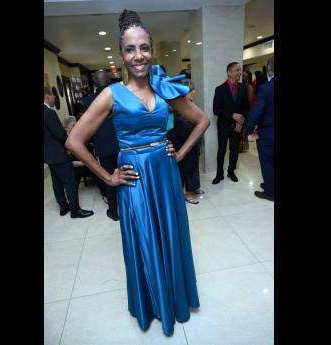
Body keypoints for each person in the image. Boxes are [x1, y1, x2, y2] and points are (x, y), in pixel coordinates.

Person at [66, 9, 209, 336]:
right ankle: (152, 303)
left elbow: (202, 121)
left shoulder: (163, 88)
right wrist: (108, 177)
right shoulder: (110, 95)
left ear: (152, 50)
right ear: (121, 55)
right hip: (134, 180)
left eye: (143, 47)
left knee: (171, 235)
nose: (138, 55)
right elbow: (74, 141)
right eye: (130, 49)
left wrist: (179, 153)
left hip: (165, 174)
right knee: (145, 240)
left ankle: (175, 297)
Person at [43, 88, 94, 218]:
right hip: (59, 154)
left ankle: (63, 207)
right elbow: (59, 133)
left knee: (56, 182)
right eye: (52, 95)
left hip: (48, 155)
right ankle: (75, 211)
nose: (54, 97)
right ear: (47, 96)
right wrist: (69, 143)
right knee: (70, 182)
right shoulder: (48, 112)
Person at [82, 71, 121, 221]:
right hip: (121, 144)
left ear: (94, 82)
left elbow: (87, 126)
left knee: (109, 179)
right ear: (108, 80)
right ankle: (130, 208)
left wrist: (93, 143)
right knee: (126, 175)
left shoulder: (88, 101)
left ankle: (113, 212)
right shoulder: (118, 96)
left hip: (103, 147)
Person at [212, 62, 250, 184]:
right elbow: (216, 110)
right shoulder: (219, 89)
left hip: (237, 127)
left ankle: (231, 171)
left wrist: (241, 122)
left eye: (240, 70)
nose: (239, 72)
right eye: (236, 70)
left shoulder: (243, 88)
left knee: (234, 151)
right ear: (229, 72)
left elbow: (246, 107)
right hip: (224, 126)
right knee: (221, 150)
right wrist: (232, 115)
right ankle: (219, 174)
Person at [168, 79, 204, 204]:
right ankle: (187, 193)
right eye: (191, 90)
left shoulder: (190, 105)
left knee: (194, 166)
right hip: (183, 142)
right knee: (186, 168)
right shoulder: (180, 107)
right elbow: (183, 128)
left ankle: (194, 188)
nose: (193, 92)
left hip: (192, 142)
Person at [245, 56, 274, 201]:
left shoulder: (266, 88)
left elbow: (255, 113)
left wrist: (249, 130)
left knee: (267, 162)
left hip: (268, 134)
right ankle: (271, 184)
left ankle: (270, 192)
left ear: (270, 68)